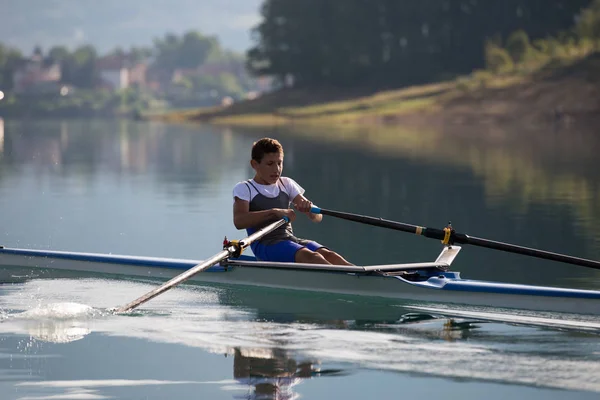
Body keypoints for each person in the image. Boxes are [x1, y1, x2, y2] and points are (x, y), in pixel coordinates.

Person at [232, 137, 352, 265]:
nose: (276, 169)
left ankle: (360, 279)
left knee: (330, 255)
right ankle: (343, 282)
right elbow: (239, 221)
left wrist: (309, 210)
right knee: (313, 257)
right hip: (265, 245)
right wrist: (274, 212)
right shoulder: (245, 188)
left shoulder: (286, 184)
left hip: (289, 239)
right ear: (254, 165)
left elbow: (318, 218)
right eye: (270, 164)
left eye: (279, 163)